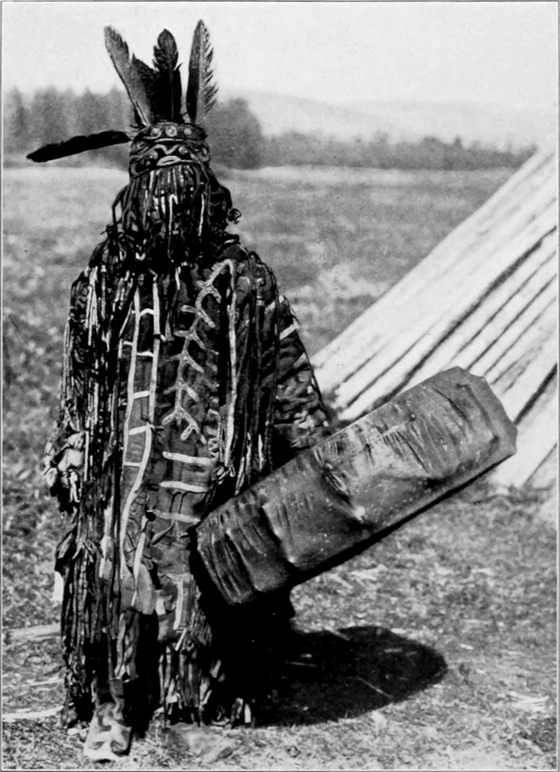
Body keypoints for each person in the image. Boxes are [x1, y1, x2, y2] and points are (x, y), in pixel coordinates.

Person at [35, 23, 330, 761]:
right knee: (115, 574)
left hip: (215, 475)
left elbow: (285, 370)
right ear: (135, 194)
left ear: (208, 192)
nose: (172, 209)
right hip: (123, 474)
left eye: (185, 194)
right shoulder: (106, 279)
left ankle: (195, 702)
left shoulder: (243, 279)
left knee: (208, 580)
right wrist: (72, 444)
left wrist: (311, 441)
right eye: (159, 195)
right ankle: (114, 701)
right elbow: (83, 376)